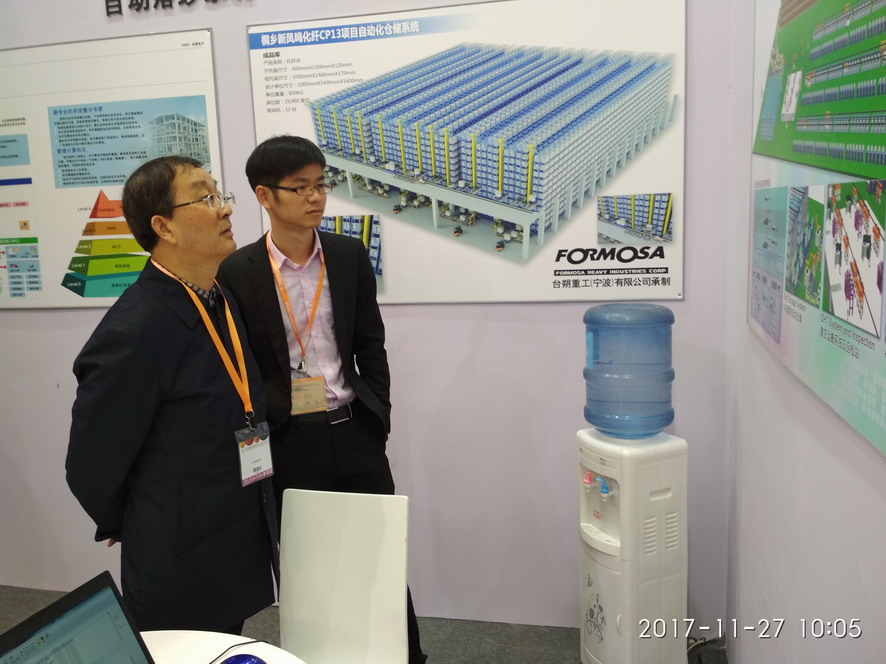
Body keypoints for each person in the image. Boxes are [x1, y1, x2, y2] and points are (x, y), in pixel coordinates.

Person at [216, 135, 427, 663]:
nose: (316, 197)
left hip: (353, 428)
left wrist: (378, 416)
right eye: (300, 187)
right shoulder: (237, 271)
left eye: (320, 184)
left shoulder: (347, 255)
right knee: (307, 565)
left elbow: (370, 344)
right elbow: (238, 366)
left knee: (379, 557)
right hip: (290, 439)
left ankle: (405, 657)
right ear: (264, 196)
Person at [66, 156, 278, 634]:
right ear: (164, 227)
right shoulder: (133, 331)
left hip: (232, 531)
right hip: (179, 553)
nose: (225, 208)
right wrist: (143, 517)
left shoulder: (217, 296)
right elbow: (90, 465)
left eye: (220, 194)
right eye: (206, 198)